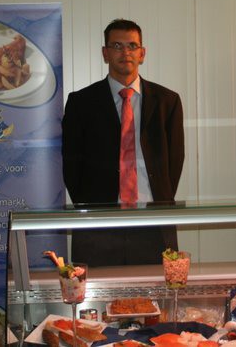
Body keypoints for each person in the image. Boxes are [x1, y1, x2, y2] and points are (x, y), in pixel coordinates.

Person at [62, 18, 185, 266]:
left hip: (154, 224)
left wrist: (160, 200)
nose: (125, 52)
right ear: (105, 53)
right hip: (98, 225)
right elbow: (71, 165)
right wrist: (92, 205)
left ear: (142, 53)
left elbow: (175, 160)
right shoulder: (81, 102)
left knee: (155, 290)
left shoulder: (167, 101)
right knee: (98, 291)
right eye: (117, 46)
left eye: (132, 46)